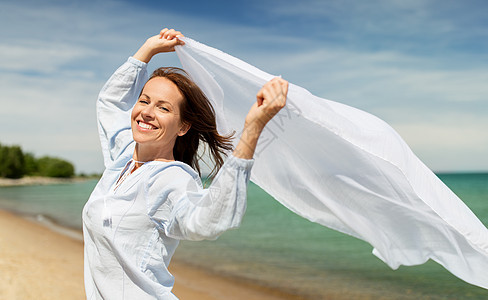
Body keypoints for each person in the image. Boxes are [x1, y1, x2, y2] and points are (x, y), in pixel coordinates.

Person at [82, 28, 288, 299]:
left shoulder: (171, 179)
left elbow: (206, 220)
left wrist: (252, 128)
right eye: (144, 100)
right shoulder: (123, 157)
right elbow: (110, 103)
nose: (147, 112)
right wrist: (147, 50)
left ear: (183, 127)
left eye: (163, 108)